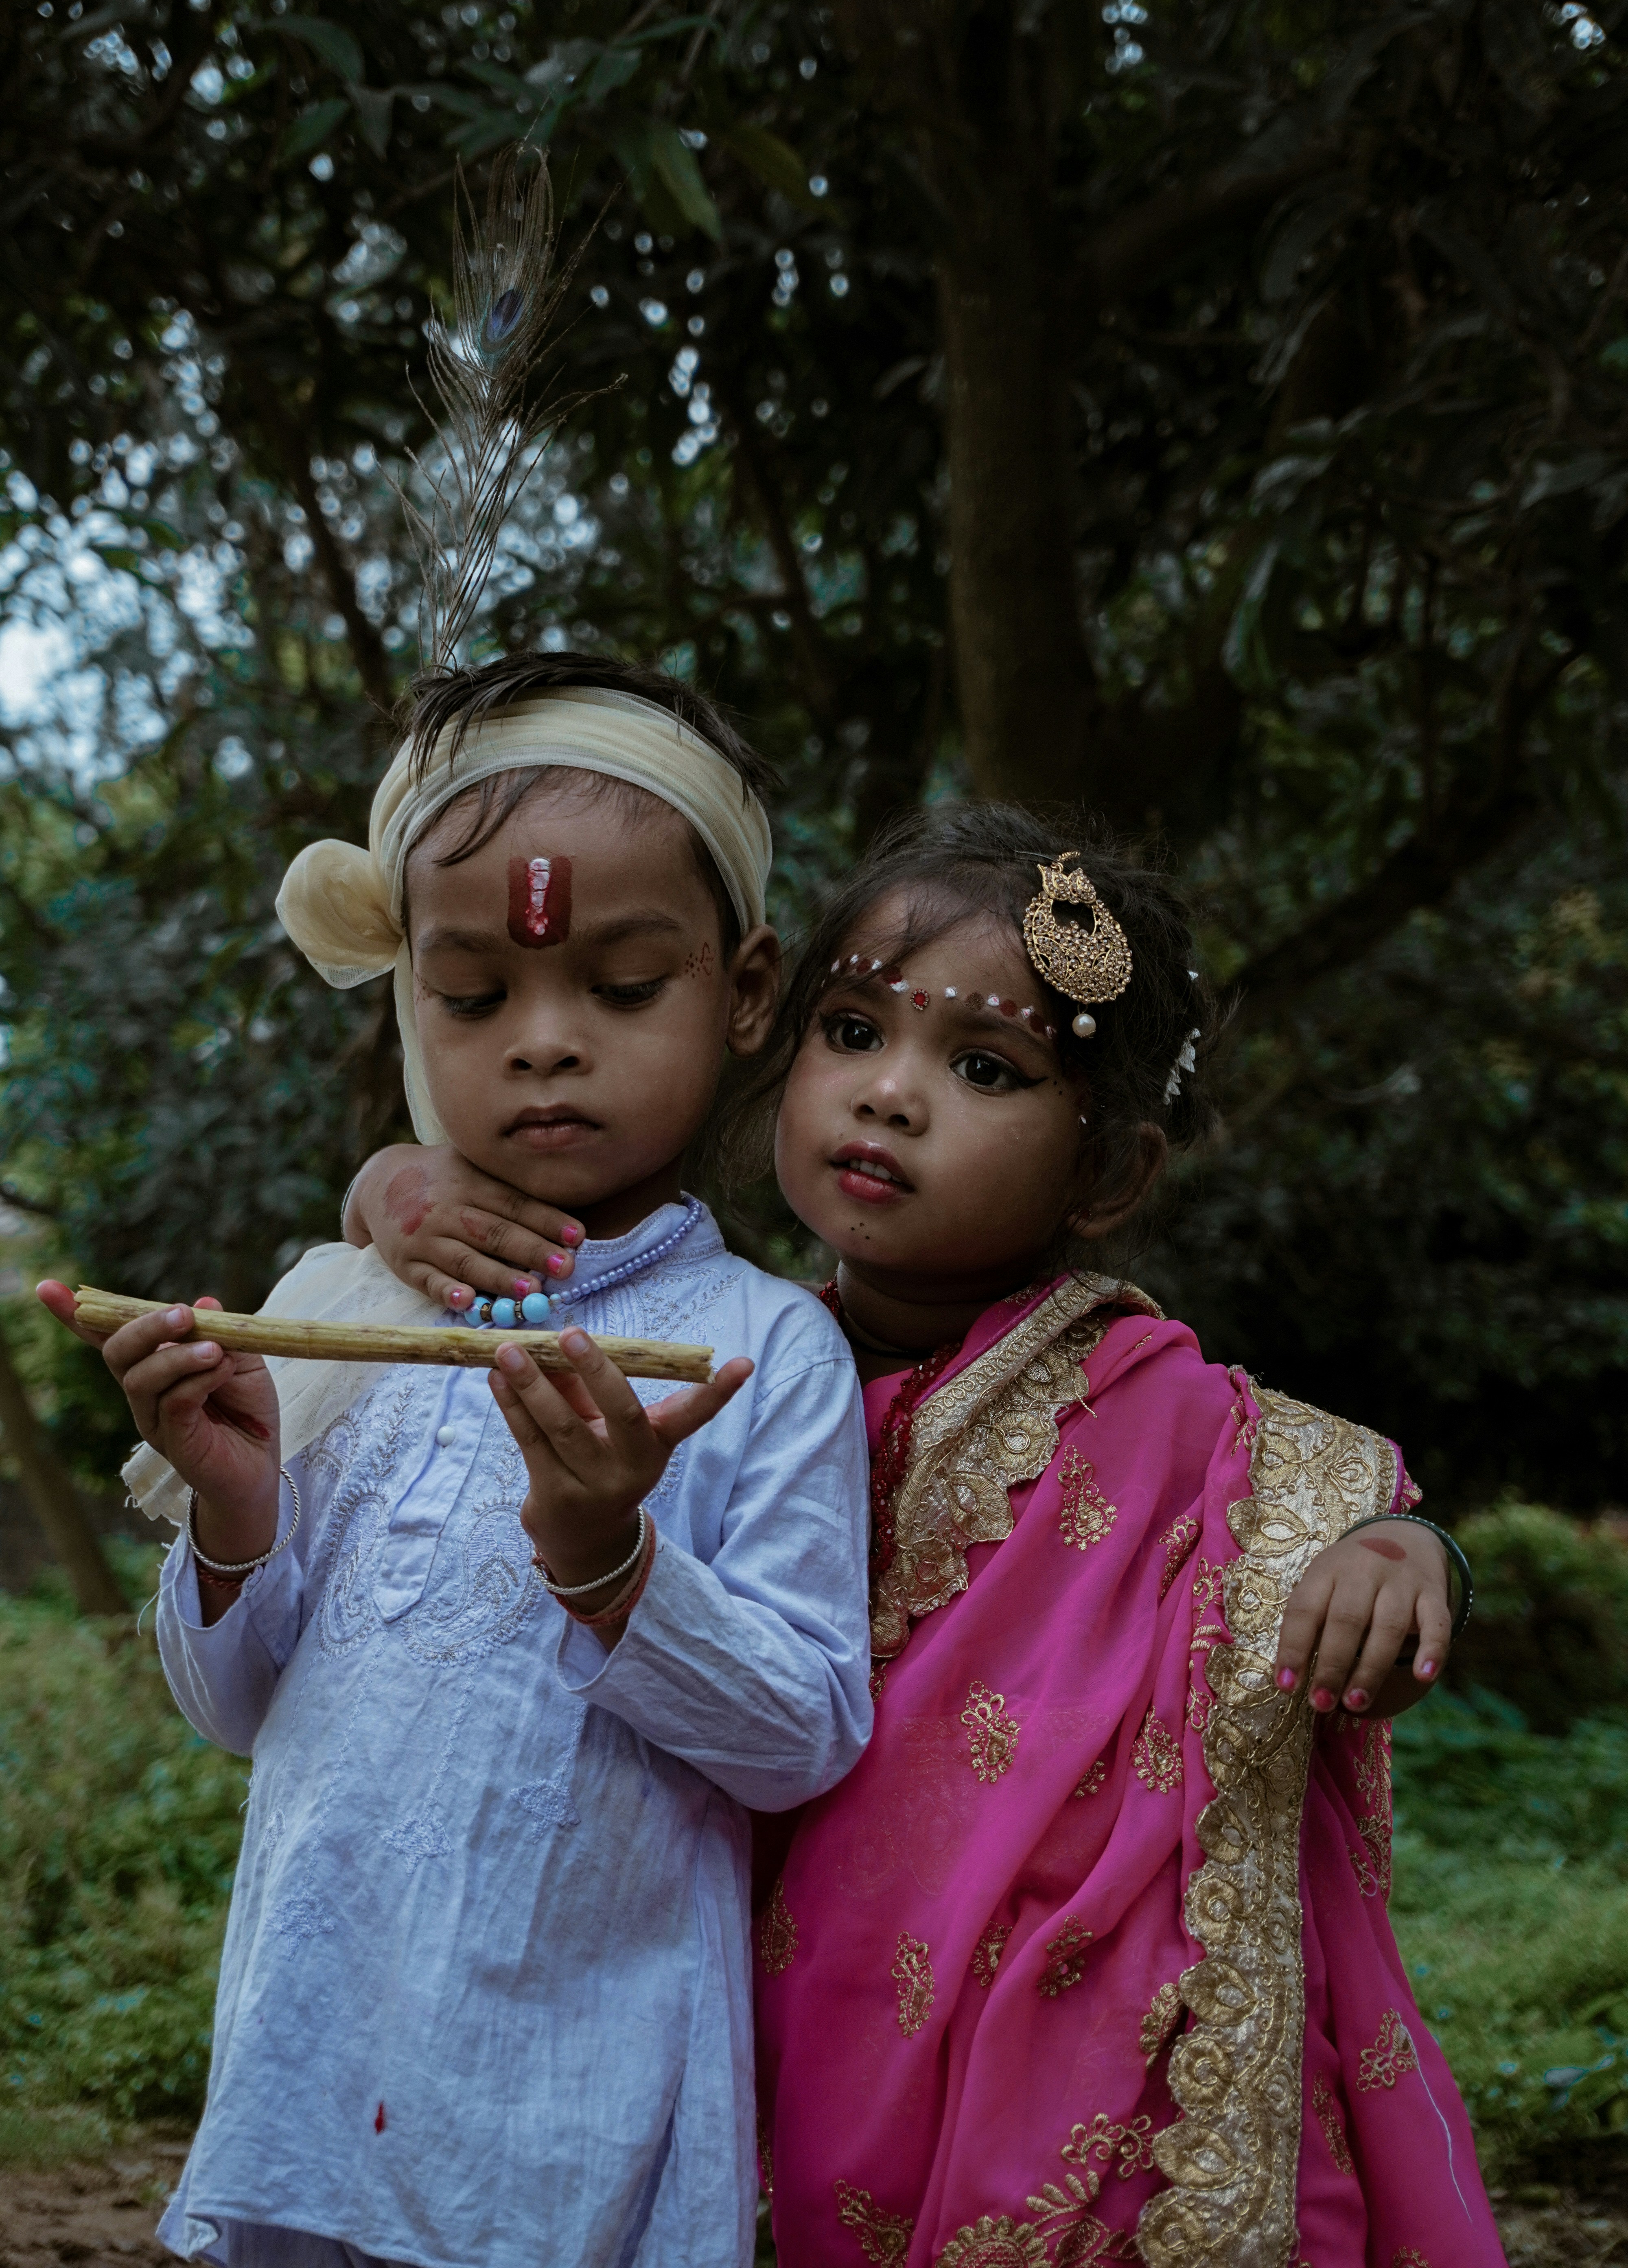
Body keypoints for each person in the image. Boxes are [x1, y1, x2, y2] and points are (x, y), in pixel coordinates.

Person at [350, 801, 1508, 2264]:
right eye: (852, 1034)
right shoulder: (714, 1360)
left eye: (984, 1067)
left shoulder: (1169, 1421)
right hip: (777, 2030)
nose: (890, 1095)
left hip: (1094, 2089)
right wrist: (389, 1187)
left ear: (1111, 1175)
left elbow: (1334, 1533)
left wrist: (1407, 1562)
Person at [39, 652, 872, 2268]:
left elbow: (803, 1738)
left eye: (622, 987)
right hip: (309, 2086)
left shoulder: (761, 1352)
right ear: (409, 996)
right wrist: (234, 1510)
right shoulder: (344, 1310)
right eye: (476, 997)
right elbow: (238, 1711)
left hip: (573, 2135)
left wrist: (611, 1563)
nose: (544, 1045)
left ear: (747, 989)